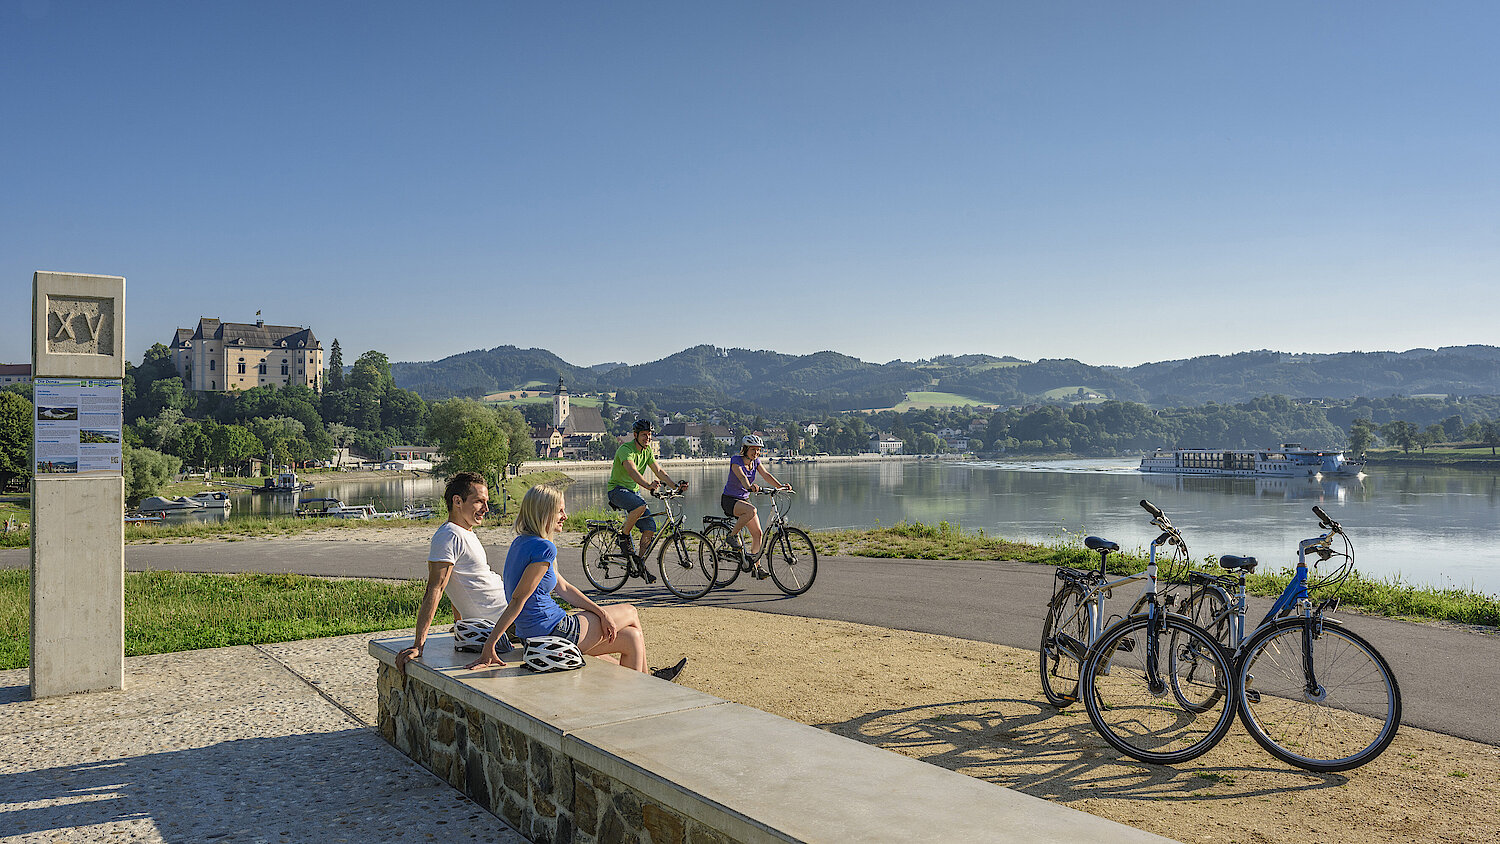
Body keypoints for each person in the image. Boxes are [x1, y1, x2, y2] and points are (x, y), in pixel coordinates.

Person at [464, 484, 686, 681]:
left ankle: (646, 683)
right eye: (560, 510)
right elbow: (518, 599)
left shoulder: (521, 542)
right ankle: (646, 686)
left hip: (536, 631)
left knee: (631, 637)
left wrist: (601, 612)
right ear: (545, 513)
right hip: (555, 630)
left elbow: (564, 588)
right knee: (631, 612)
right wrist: (490, 645)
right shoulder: (544, 548)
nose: (565, 516)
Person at [396, 471, 508, 674]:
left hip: (509, 615)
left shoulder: (465, 532)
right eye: (479, 502)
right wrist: (418, 645)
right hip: (506, 622)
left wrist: (460, 624)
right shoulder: (448, 536)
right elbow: (436, 589)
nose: (486, 509)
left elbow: (459, 583)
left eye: (486, 502)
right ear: (458, 501)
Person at [607, 419, 686, 560]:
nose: (648, 438)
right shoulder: (625, 450)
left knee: (650, 527)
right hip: (617, 491)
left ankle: (639, 561)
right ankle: (623, 537)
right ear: (635, 435)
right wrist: (648, 485)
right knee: (640, 505)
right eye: (644, 434)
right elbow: (632, 471)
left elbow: (659, 470)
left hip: (633, 492)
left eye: (649, 434)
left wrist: (675, 486)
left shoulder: (647, 450)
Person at [721, 434, 791, 578]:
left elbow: (766, 475)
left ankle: (756, 567)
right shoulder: (736, 460)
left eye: (758, 450)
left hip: (744, 501)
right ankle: (732, 536)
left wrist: (781, 486)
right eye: (753, 449)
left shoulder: (756, 462)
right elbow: (742, 477)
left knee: (758, 534)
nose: (756, 453)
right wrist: (750, 487)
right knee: (752, 510)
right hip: (729, 500)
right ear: (745, 449)